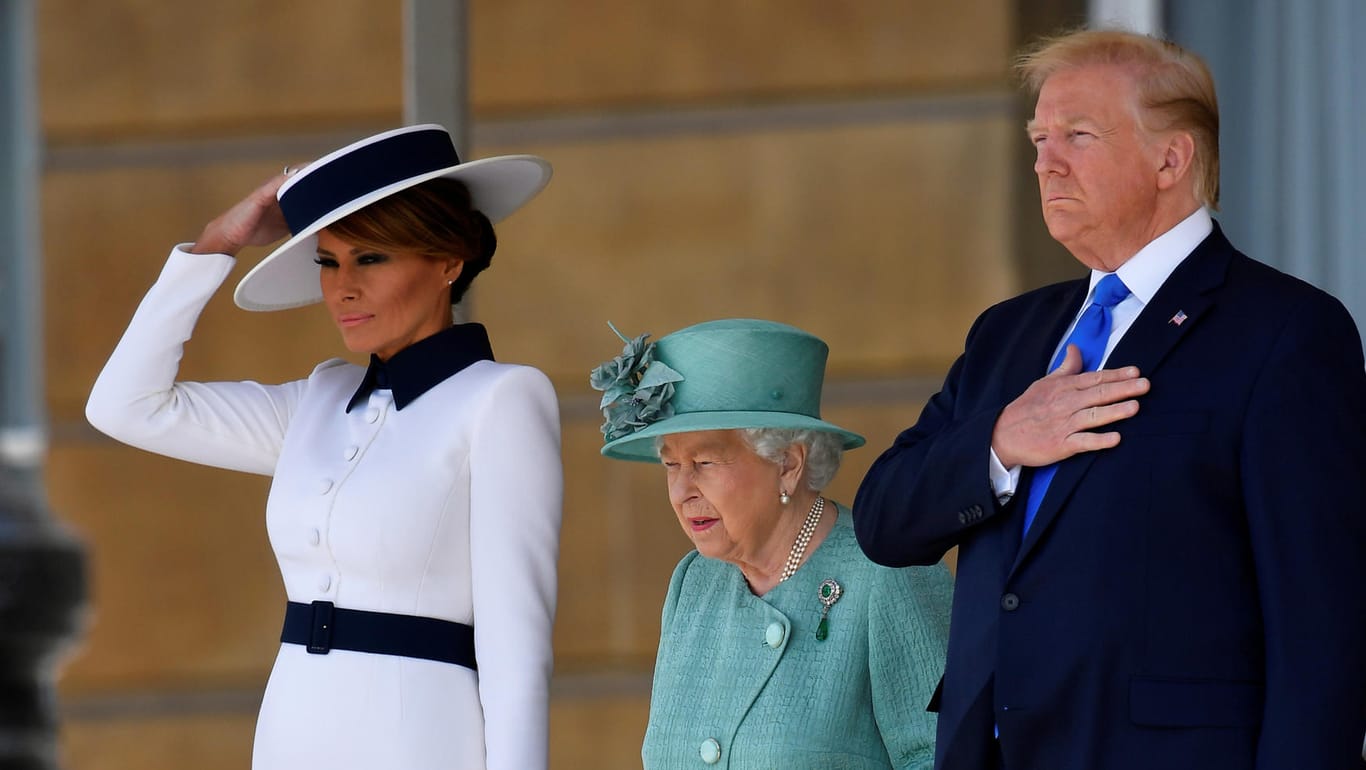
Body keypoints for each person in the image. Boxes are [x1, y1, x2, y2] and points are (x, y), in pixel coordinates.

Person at [853, 29, 1366, 770]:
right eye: (1038, 138)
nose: (1045, 161)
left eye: (1077, 135)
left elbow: (1323, 636)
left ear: (1171, 158)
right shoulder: (1007, 335)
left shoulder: (1286, 331)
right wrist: (1000, 441)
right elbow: (883, 520)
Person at [85, 125, 563, 770]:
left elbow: (517, 648)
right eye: (327, 261)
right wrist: (215, 245)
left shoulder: (502, 398)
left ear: (449, 262)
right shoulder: (316, 400)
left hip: (420, 737)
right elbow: (123, 406)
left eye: (369, 259)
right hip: (291, 728)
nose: (341, 288)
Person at [591, 318, 952, 769]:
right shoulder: (695, 582)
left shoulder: (888, 570)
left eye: (704, 461)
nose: (683, 490)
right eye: (671, 465)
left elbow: (943, 755)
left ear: (787, 464)